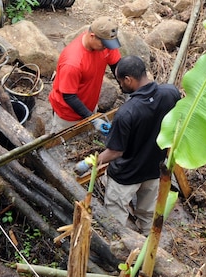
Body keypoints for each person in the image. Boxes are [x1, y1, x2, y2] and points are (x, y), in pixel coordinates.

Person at [78, 55, 182, 234]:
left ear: (128, 79)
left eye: (120, 81)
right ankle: (147, 247)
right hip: (153, 169)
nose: (120, 85)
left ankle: (119, 247)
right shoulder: (170, 93)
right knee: (148, 214)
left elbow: (115, 152)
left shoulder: (127, 112)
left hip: (126, 176)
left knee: (115, 217)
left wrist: (90, 162)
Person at [48, 16, 122, 134]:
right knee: (64, 145)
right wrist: (92, 119)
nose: (107, 48)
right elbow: (69, 96)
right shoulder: (72, 63)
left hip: (90, 104)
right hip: (68, 115)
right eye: (105, 45)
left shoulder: (104, 42)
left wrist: (127, 89)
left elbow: (116, 65)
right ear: (92, 36)